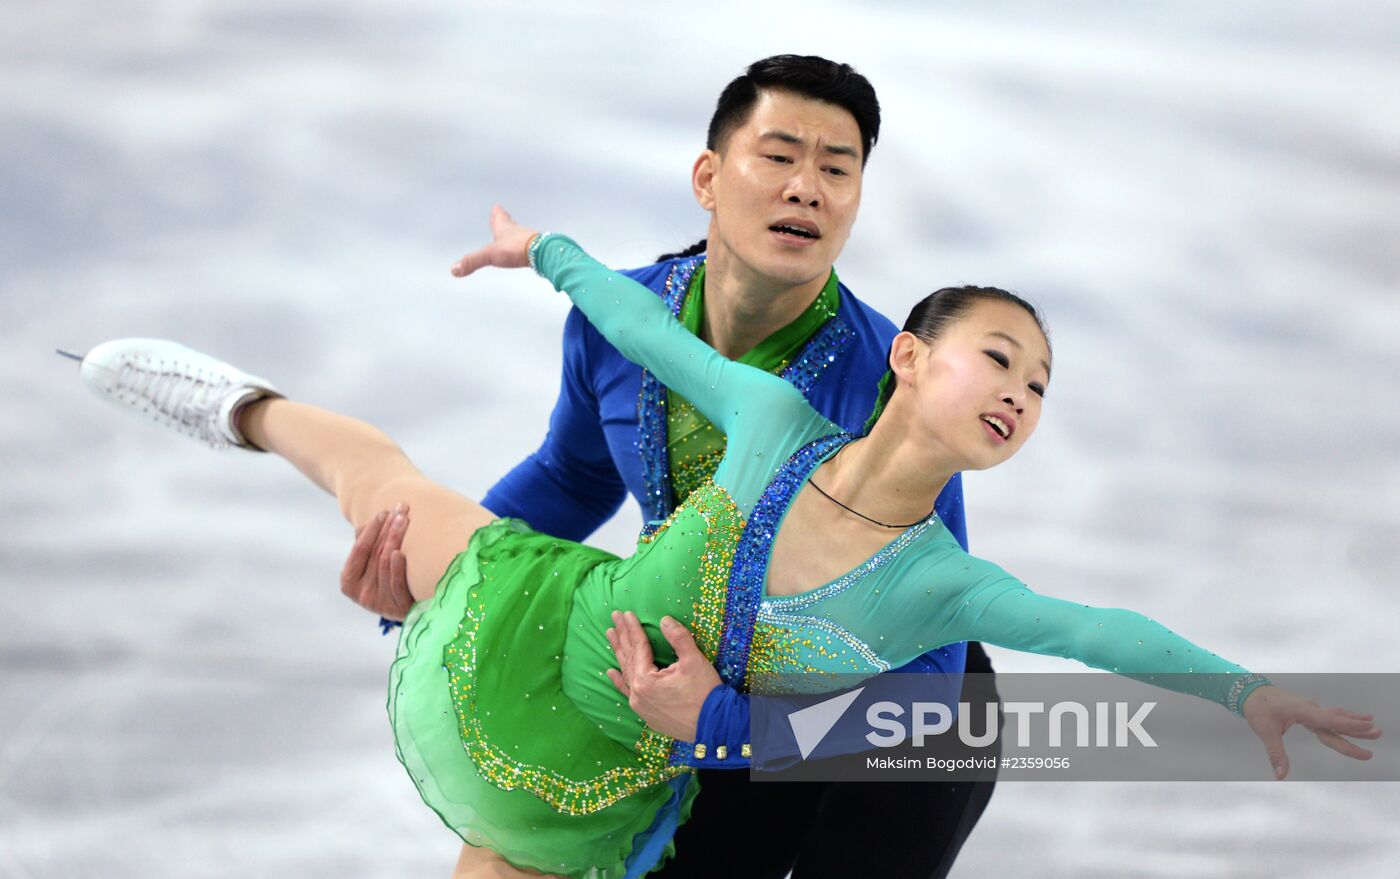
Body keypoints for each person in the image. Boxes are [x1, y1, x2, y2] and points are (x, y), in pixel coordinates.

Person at [75, 211, 1379, 879]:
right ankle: (237, 403)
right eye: (1002, 358)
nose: (1021, 394)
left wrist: (1242, 691)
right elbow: (651, 338)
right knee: (376, 477)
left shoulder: (944, 584)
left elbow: (1103, 638)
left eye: (1041, 388)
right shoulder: (773, 420)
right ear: (911, 356)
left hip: (643, 745)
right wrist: (550, 252)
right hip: (555, 612)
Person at [342, 54, 1000, 878]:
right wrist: (437, 579)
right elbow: (574, 476)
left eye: (838, 169)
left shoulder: (891, 391)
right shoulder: (618, 322)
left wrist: (729, 719)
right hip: (700, 677)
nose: (807, 188)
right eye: (779, 155)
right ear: (709, 177)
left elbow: (929, 675)